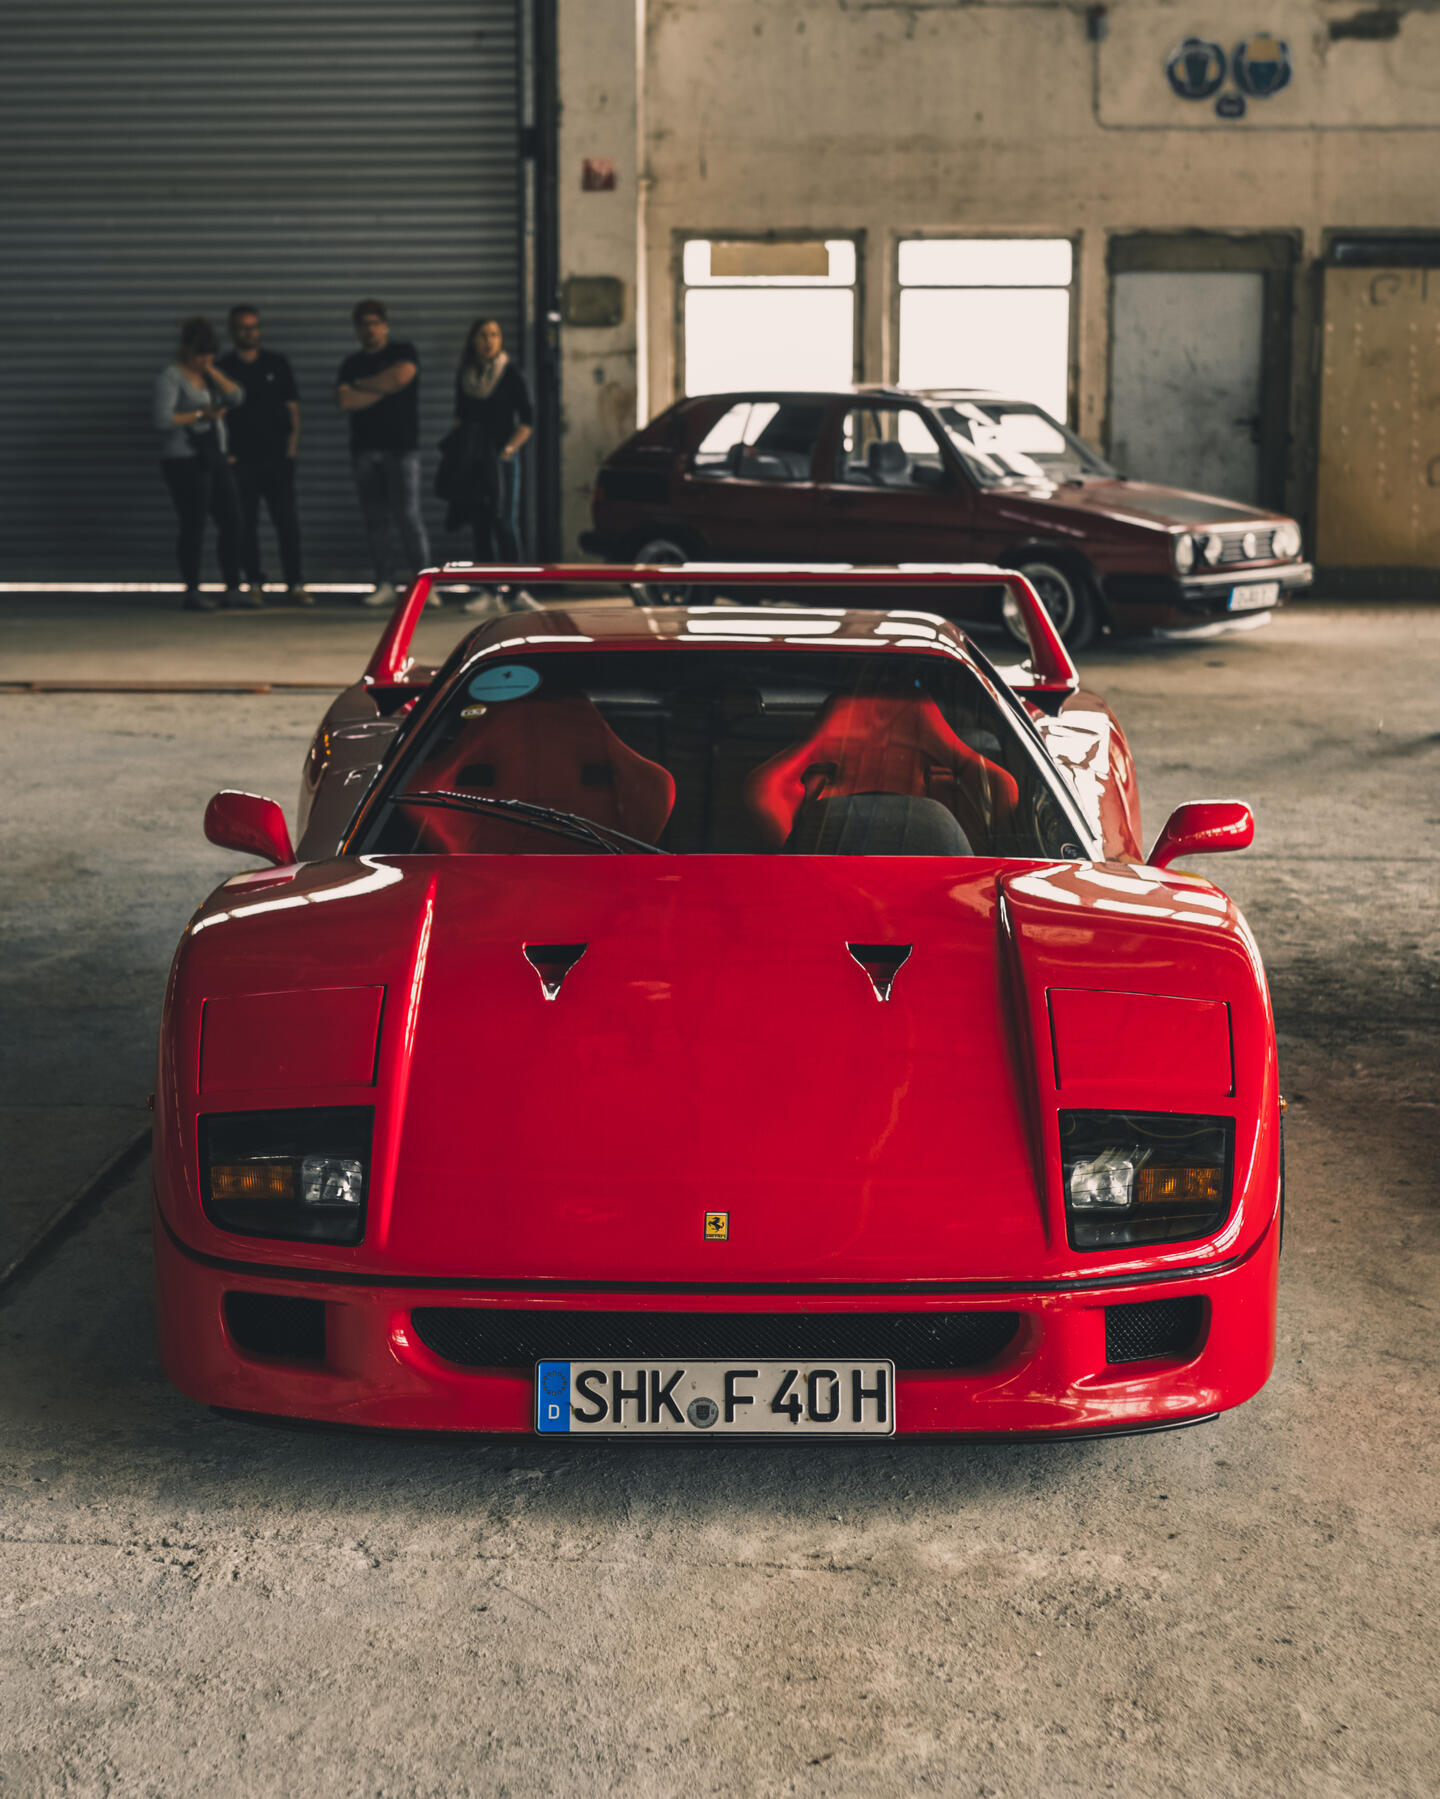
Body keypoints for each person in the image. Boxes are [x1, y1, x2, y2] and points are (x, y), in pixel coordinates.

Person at [153, 317, 257, 611]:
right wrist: (200, 415)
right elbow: (162, 419)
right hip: (184, 460)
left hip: (215, 457)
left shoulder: (210, 373)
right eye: (200, 354)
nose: (204, 359)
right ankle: (192, 590)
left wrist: (211, 370)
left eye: (209, 353)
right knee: (193, 524)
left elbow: (237, 396)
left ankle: (233, 588)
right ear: (185, 349)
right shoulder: (171, 377)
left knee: (233, 520)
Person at [336, 298, 433, 608]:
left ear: (385, 325)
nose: (370, 329)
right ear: (356, 329)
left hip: (402, 451)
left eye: (375, 323)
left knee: (409, 518)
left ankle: (424, 586)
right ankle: (384, 582)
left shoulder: (403, 352)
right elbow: (346, 401)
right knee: (376, 521)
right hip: (364, 452)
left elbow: (401, 377)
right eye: (363, 324)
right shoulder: (350, 363)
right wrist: (385, 386)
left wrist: (364, 386)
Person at [218, 304, 308, 604]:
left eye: (252, 327)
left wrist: (290, 451)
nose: (248, 333)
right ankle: (254, 582)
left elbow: (292, 409)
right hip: (241, 461)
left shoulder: (277, 363)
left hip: (277, 459)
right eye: (242, 328)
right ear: (232, 331)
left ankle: (295, 584)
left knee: (287, 523)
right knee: (245, 524)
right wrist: (227, 455)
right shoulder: (224, 368)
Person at [449, 318, 534, 616]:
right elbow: (459, 418)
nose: (489, 340)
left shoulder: (509, 374)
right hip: (474, 460)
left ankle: (517, 590)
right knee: (480, 523)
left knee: (505, 521)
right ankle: (488, 591)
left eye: (495, 334)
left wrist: (509, 449)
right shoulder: (467, 377)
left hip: (503, 459)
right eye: (483, 335)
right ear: (473, 340)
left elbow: (527, 420)